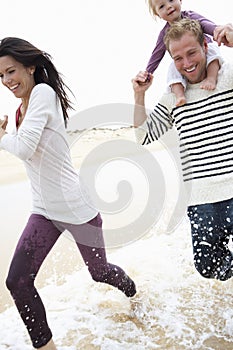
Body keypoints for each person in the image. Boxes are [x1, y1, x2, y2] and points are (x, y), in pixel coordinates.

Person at [0, 37, 136, 350]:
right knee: (17, 281)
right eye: (1, 76)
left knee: (99, 272)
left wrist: (3, 136)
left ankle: (133, 293)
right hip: (44, 211)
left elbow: (22, 148)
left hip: (76, 208)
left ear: (31, 66)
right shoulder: (21, 108)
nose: (7, 80)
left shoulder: (43, 94)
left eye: (11, 71)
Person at [132, 19, 233, 285]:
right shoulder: (173, 98)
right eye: (178, 58)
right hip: (201, 199)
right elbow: (143, 136)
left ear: (205, 45)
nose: (186, 63)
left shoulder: (227, 76)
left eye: (192, 53)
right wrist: (139, 95)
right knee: (207, 267)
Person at [144, 0, 223, 106]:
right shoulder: (164, 34)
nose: (168, 6)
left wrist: (220, 32)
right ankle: (179, 95)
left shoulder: (191, 16)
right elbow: (156, 54)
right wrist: (148, 72)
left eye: (171, 0)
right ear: (157, 14)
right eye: (162, 6)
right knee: (172, 66)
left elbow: (206, 24)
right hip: (188, 64)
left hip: (204, 52)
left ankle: (211, 78)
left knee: (213, 49)